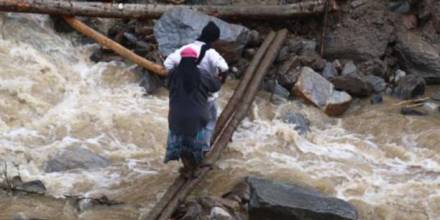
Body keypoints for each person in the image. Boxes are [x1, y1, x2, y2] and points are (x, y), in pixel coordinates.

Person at [164, 21, 229, 147]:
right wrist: (219, 80)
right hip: (205, 95)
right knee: (209, 122)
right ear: (214, 39)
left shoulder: (186, 49)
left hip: (184, 95)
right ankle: (203, 147)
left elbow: (167, 64)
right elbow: (224, 67)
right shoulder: (211, 53)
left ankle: (184, 146)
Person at [164, 47, 222, 177]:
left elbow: (167, 85)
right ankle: (195, 168)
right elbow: (216, 86)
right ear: (195, 60)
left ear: (181, 60)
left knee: (181, 142)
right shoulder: (203, 74)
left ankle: (187, 167)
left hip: (176, 116)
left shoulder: (173, 74)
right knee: (196, 143)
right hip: (198, 115)